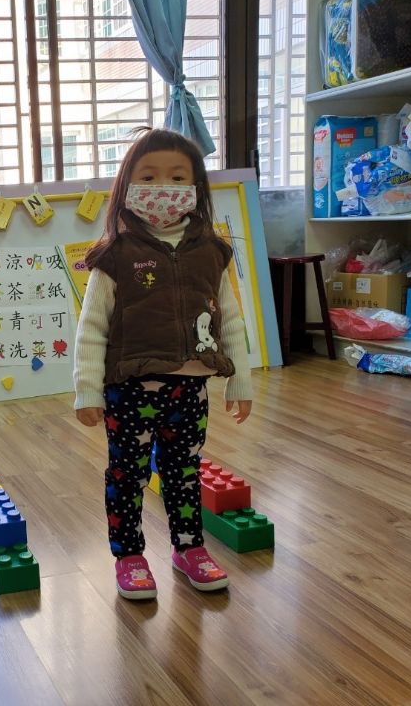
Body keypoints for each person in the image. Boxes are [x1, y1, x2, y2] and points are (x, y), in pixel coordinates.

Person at [73, 127, 253, 600]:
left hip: (190, 388)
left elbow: (230, 319)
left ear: (196, 187)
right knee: (126, 474)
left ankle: (189, 548)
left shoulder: (212, 252)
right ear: (127, 186)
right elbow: (92, 328)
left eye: (177, 177)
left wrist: (241, 380)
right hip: (129, 388)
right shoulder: (115, 254)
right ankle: (129, 555)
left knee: (184, 472)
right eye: (148, 177)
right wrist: (87, 390)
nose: (163, 188)